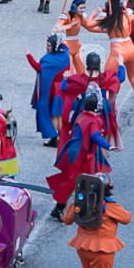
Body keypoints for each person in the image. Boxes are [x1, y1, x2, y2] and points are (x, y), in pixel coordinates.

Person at [47, 90, 113, 219]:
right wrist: (108, 146)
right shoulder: (93, 121)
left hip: (74, 151)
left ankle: (68, 207)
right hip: (80, 155)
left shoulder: (82, 116)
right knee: (76, 182)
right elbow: (95, 136)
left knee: (75, 181)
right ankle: (62, 209)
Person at [84, 0, 134, 114]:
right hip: (130, 48)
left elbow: (89, 26)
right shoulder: (127, 15)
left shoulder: (107, 20)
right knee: (133, 76)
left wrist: (94, 13)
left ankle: (108, 106)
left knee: (107, 79)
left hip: (117, 52)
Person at [26, 33, 70, 145]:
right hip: (63, 88)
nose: (47, 47)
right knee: (59, 114)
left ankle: (54, 138)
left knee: (54, 114)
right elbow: (65, 46)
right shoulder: (64, 55)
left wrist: (28, 55)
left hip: (53, 90)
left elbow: (38, 67)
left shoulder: (49, 60)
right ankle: (61, 138)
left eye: (49, 45)